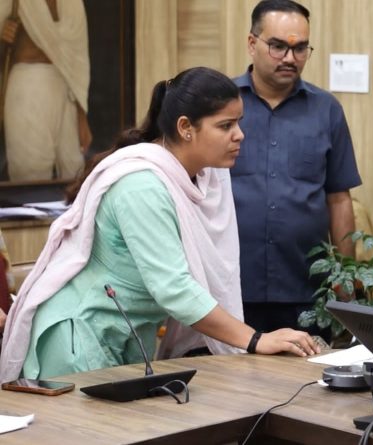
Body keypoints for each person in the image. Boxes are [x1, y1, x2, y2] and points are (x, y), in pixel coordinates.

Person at [0, 67, 319, 382]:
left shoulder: (207, 179)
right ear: (186, 127)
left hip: (127, 337)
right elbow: (174, 288)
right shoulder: (142, 186)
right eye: (225, 125)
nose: (239, 135)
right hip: (78, 340)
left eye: (238, 122)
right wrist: (255, 339)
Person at [232, 0, 361, 334]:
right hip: (231, 287)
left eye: (300, 48)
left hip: (306, 290)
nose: (290, 58)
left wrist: (346, 279)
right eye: (278, 46)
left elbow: (339, 199)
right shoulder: (222, 105)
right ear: (252, 43)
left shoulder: (326, 110)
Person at [0, 0, 91, 181]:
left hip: (67, 93)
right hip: (26, 89)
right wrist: (3, 38)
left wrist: (82, 118)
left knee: (72, 170)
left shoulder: (73, 3)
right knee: (30, 172)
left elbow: (78, 63)